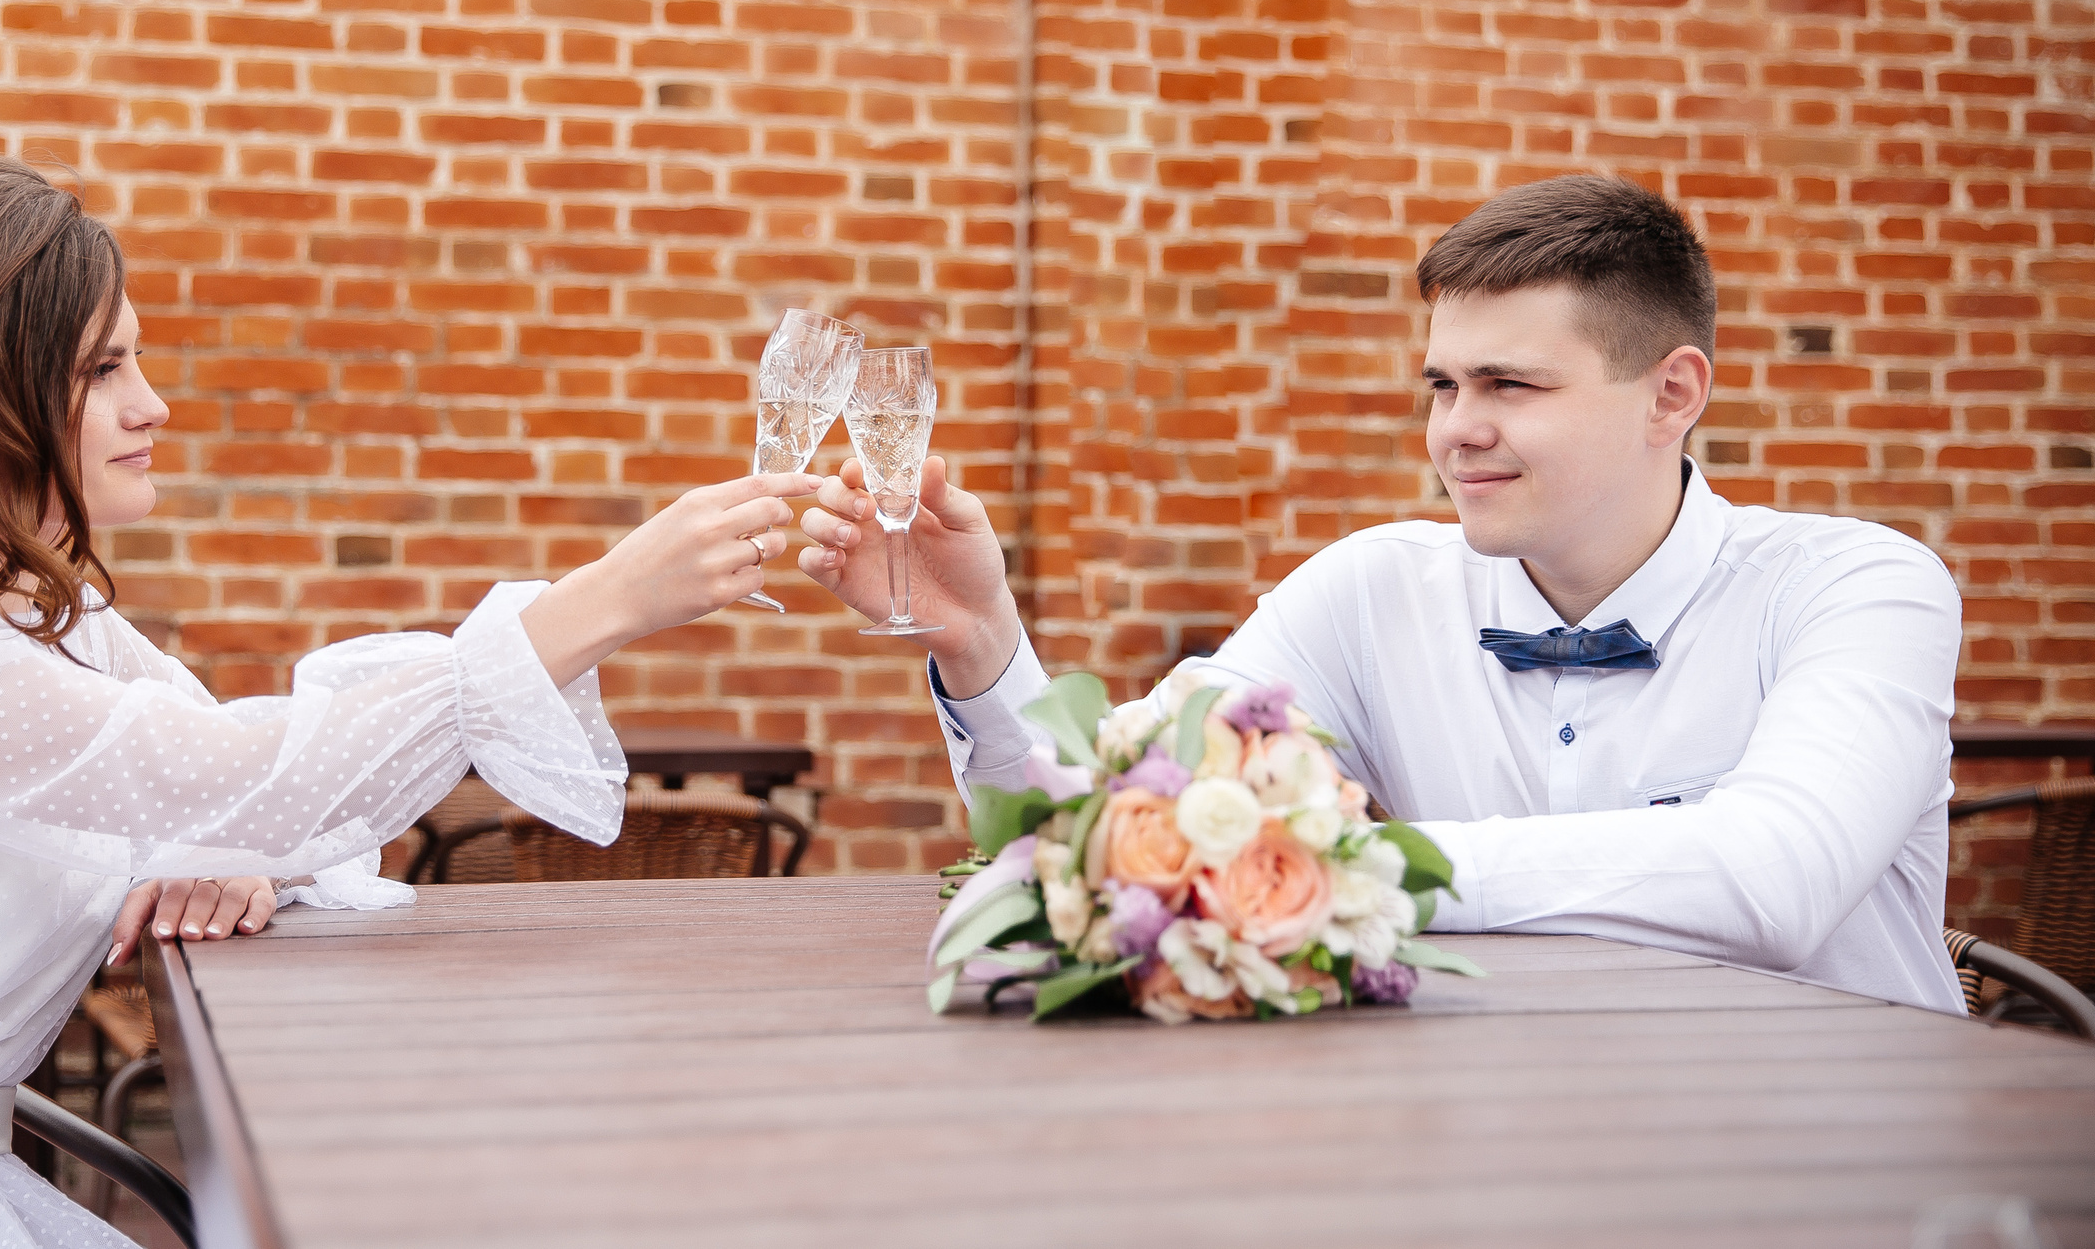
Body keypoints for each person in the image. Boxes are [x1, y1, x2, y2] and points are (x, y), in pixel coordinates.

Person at [0, 152, 815, 1249]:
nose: (152, 407)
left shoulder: (51, 624)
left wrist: (231, 854)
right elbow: (255, 777)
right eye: (102, 372)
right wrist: (600, 602)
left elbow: (238, 782)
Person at [797, 174, 1966, 1014]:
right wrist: (982, 646)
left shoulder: (1860, 589)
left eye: (1508, 383)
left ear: (1672, 395)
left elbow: (1774, 880)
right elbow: (1117, 827)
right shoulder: (1370, 586)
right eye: (1442, 384)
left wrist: (1328, 870)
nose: (1456, 432)